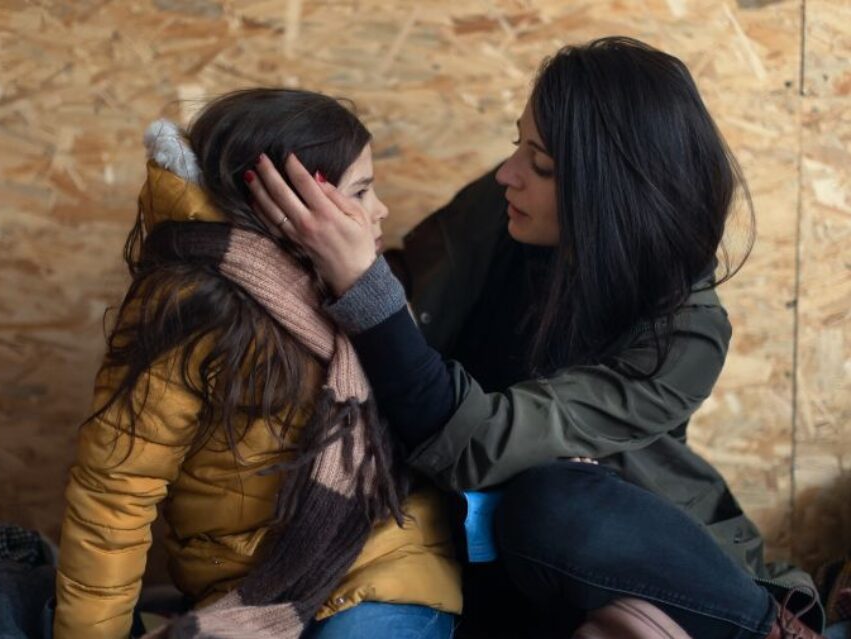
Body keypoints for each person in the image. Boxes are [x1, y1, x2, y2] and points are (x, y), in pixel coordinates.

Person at [243, 38, 826, 638]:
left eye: (540, 163)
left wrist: (363, 284)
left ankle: (766, 626)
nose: (507, 174)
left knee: (552, 503)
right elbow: (402, 283)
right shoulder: (498, 209)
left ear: (608, 190)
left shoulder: (687, 335)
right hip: (461, 533)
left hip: (593, 547)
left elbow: (470, 443)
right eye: (516, 144)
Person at [54, 88, 460, 639]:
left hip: (387, 559)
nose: (381, 209)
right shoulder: (189, 309)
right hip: (249, 585)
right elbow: (115, 498)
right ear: (290, 205)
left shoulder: (366, 288)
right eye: (362, 191)